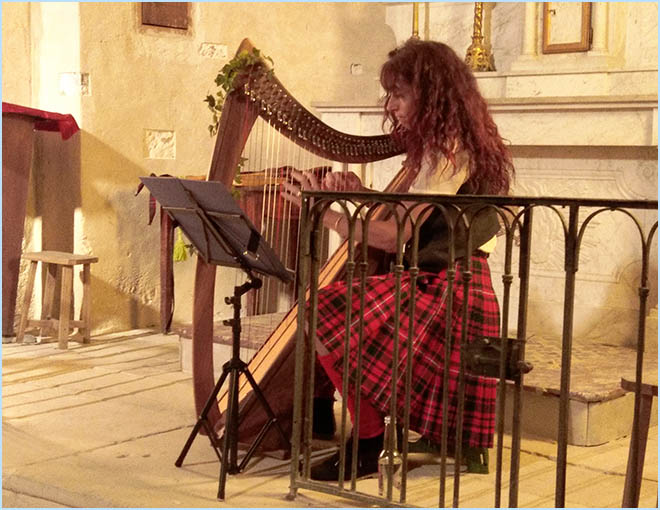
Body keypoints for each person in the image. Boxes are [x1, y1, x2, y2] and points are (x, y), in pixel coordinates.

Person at [282, 38, 514, 481]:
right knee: (331, 312)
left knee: (323, 310)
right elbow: (417, 215)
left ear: (431, 94)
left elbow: (395, 237)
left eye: (400, 94)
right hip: (443, 275)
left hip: (449, 286)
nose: (391, 106)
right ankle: (365, 428)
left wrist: (322, 213)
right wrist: (361, 194)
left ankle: (367, 444)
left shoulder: (448, 152)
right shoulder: (443, 146)